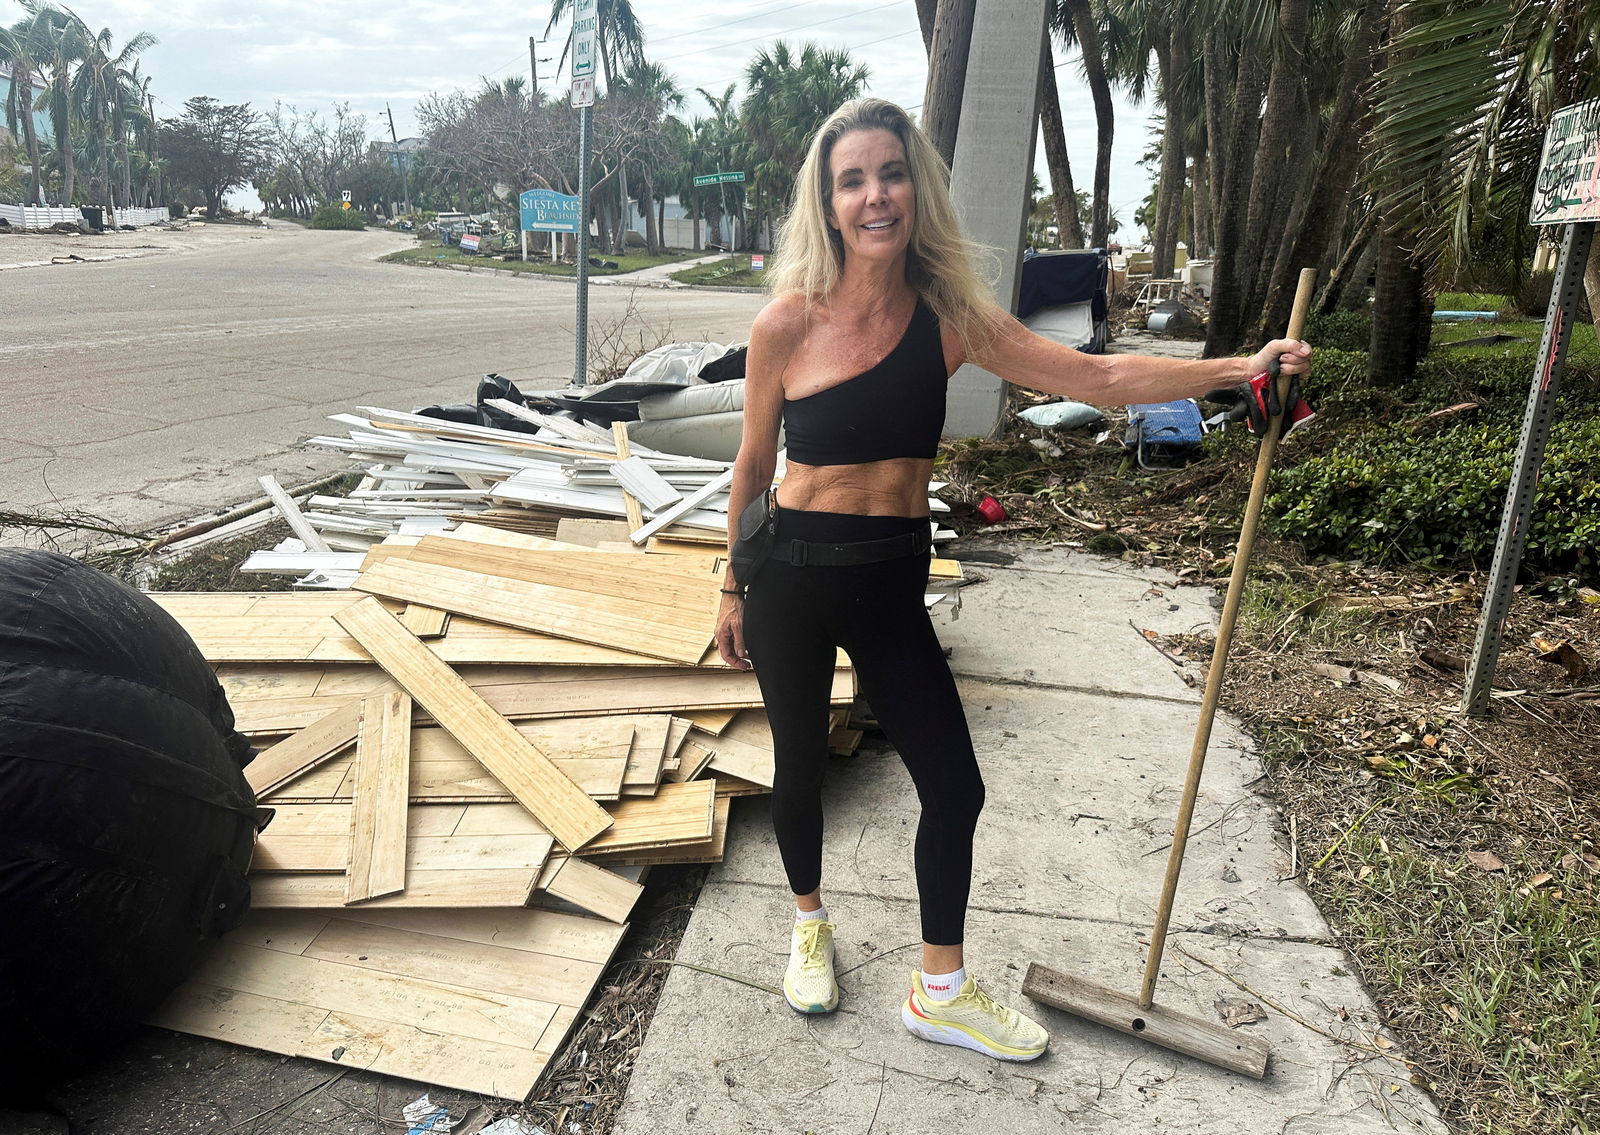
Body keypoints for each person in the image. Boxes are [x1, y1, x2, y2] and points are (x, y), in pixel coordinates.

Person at [713, 97, 1310, 1062]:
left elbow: (1094, 377)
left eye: (891, 173)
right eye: (852, 179)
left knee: (955, 782)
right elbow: (750, 467)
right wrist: (731, 583)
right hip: (788, 575)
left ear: (918, 189)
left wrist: (1241, 368)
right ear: (826, 204)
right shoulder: (786, 323)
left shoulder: (949, 317)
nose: (875, 196)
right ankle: (809, 923)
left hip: (890, 583)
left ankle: (938, 987)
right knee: (798, 762)